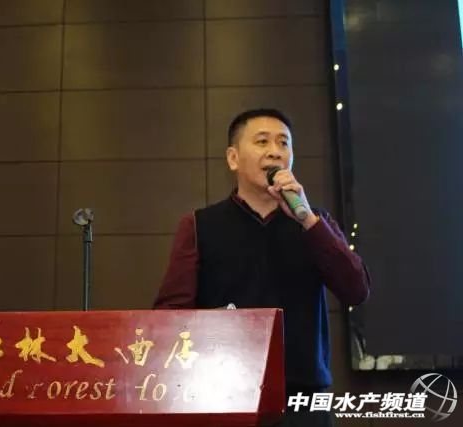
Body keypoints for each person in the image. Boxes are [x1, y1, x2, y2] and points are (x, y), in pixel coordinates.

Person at [153, 108, 370, 427]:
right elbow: (170, 315)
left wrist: (308, 220)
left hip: (304, 402)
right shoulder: (200, 225)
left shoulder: (315, 222)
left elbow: (357, 289)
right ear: (233, 158)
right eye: (262, 141)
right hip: (222, 396)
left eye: (284, 143)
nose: (275, 151)